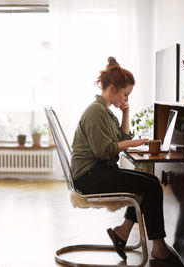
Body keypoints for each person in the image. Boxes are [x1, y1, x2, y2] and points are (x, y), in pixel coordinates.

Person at [70, 57, 178, 263]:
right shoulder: (95, 112)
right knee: (152, 186)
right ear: (113, 89)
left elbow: (121, 139)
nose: (126, 98)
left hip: (98, 172)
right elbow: (105, 151)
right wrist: (133, 143)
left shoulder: (105, 112)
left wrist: (126, 112)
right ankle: (158, 247)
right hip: (88, 177)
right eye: (125, 94)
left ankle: (122, 232)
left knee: (150, 182)